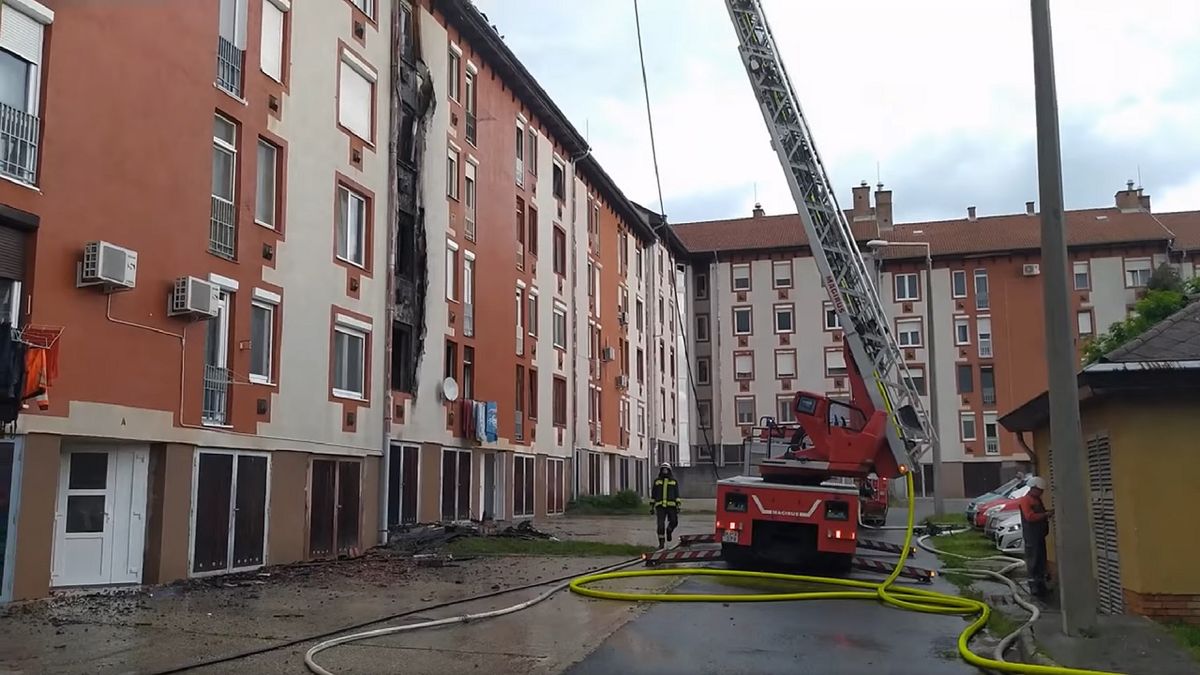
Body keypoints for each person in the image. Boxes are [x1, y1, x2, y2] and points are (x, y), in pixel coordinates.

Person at [1018, 476, 1055, 597]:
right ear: (1033, 488)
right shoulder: (1025, 500)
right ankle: (1033, 586)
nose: (1041, 492)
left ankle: (1041, 585)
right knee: (1033, 561)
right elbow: (1030, 517)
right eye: (1040, 490)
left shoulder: (1037, 500)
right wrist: (1045, 515)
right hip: (1031, 536)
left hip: (1039, 535)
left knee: (1040, 560)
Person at [650, 462, 680, 549]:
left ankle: (669, 531)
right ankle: (661, 544)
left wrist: (678, 505)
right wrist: (652, 506)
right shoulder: (657, 481)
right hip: (660, 507)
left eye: (666, 469)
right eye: (663, 469)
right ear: (661, 470)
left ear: (669, 470)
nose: (665, 471)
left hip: (672, 506)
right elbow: (653, 495)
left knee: (674, 522)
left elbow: (676, 494)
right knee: (660, 525)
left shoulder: (674, 481)